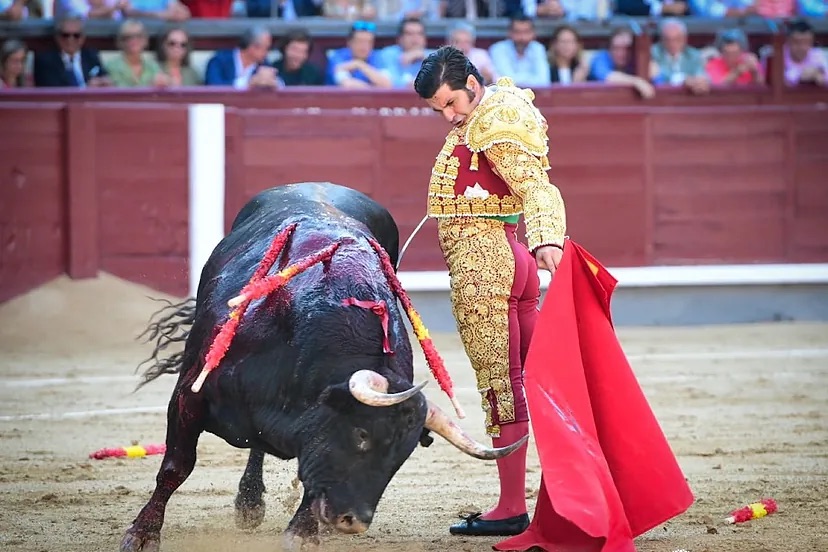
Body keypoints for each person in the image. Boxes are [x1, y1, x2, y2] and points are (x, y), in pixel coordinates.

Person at [413, 45, 566, 537]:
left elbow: (537, 186)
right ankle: (562, 491)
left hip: (486, 264)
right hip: (509, 256)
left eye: (452, 103)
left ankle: (509, 507)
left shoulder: (489, 123)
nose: (449, 116)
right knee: (534, 382)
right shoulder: (496, 107)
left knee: (504, 390)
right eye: (440, 109)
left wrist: (546, 237)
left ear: (472, 86)